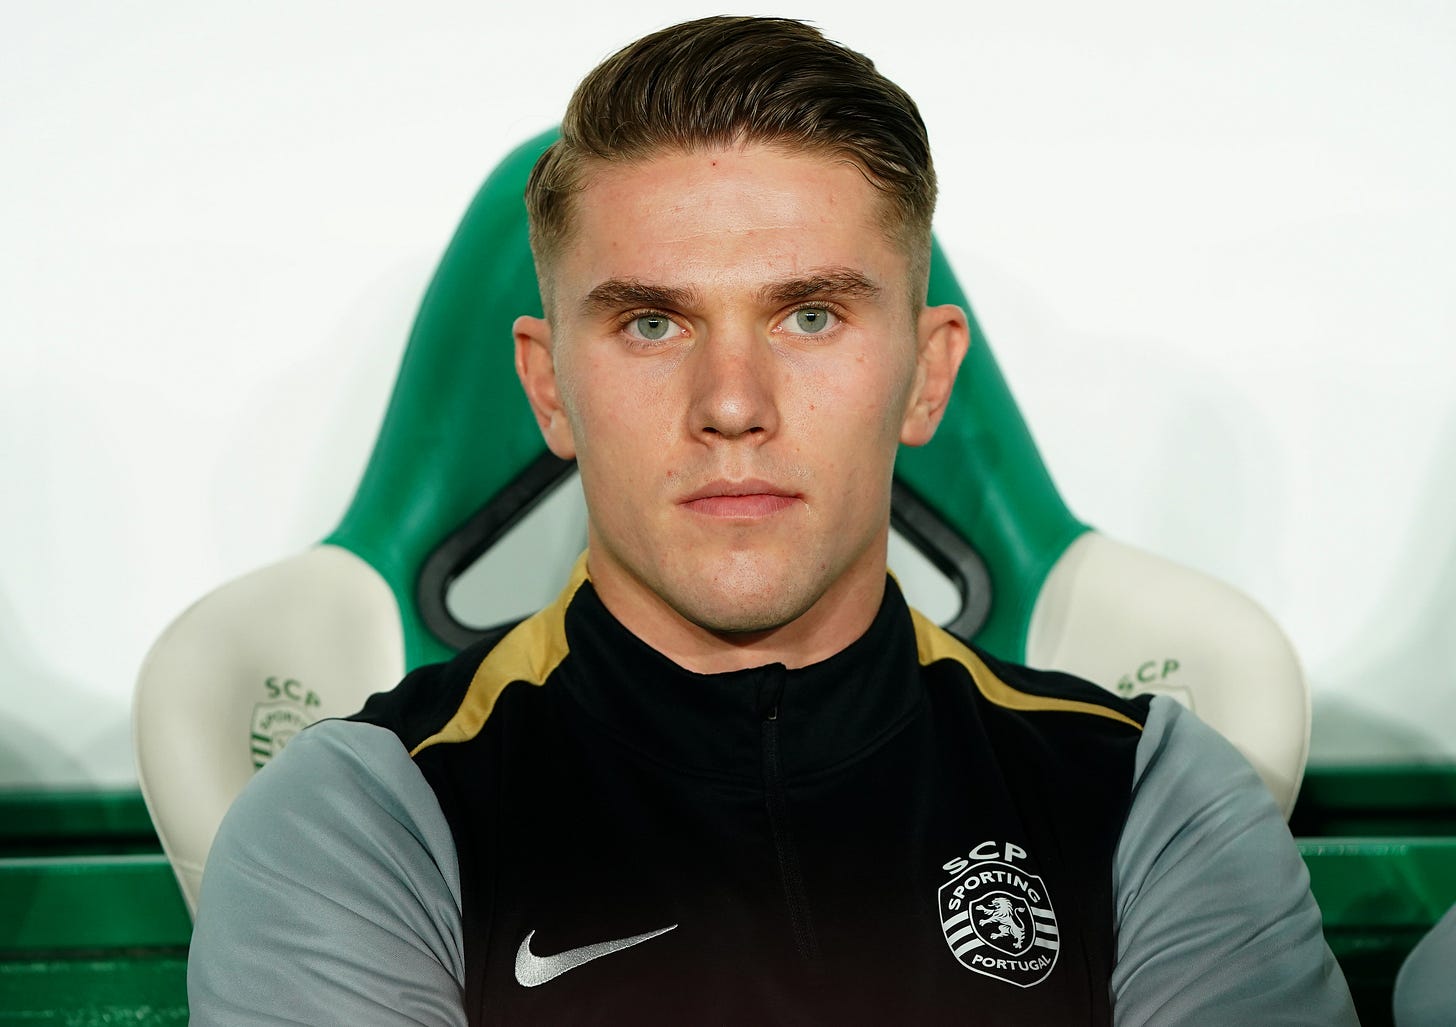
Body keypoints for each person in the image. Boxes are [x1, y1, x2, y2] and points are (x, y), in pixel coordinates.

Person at [188, 16, 1357, 1024]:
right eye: (651, 323)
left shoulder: (1149, 797)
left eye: (809, 316)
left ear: (928, 374)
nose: (732, 405)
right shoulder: (360, 815)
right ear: (548, 386)